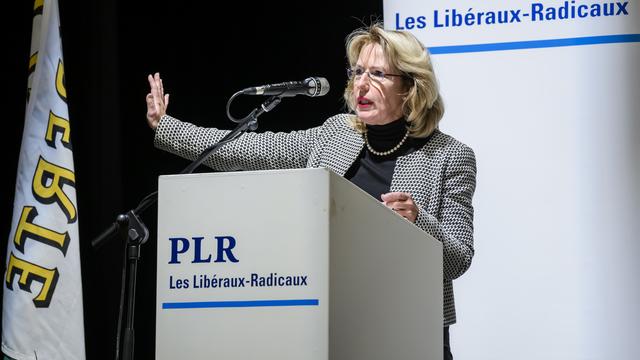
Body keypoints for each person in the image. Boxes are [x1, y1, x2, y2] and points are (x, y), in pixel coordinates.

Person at [145, 22, 476, 360]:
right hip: (332, 324)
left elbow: (458, 258)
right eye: (358, 71)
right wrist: (168, 127)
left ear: (410, 86)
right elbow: (248, 149)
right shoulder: (334, 134)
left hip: (409, 330)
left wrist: (418, 221)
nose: (361, 83)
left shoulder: (450, 156)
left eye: (377, 74)